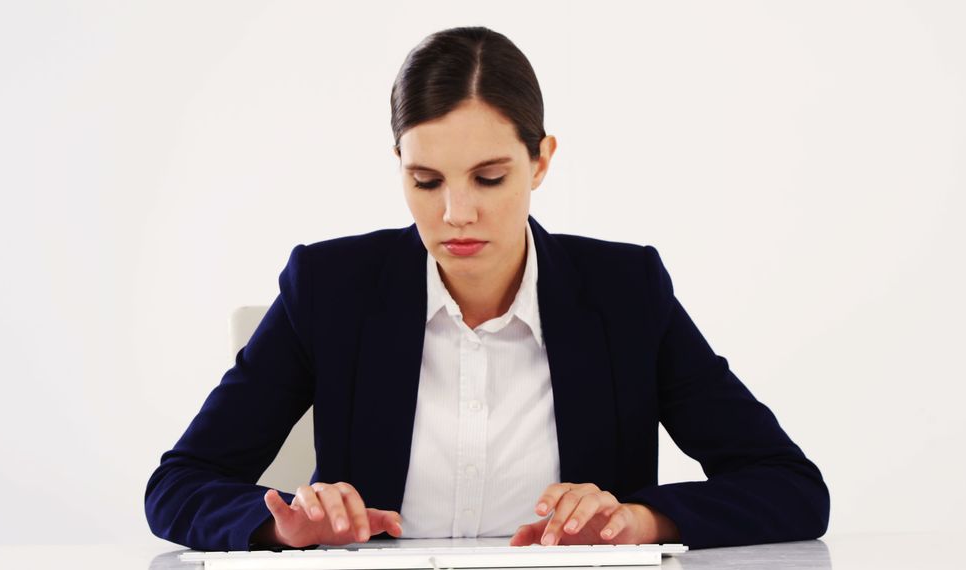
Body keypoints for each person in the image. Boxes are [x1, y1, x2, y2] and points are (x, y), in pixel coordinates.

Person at [144, 26, 829, 552]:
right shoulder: (329, 289)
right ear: (400, 168)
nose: (456, 214)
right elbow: (179, 484)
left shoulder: (624, 293)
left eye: (490, 177)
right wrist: (281, 530)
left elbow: (790, 488)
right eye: (427, 181)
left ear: (542, 160)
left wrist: (640, 520)